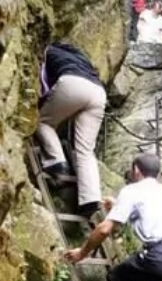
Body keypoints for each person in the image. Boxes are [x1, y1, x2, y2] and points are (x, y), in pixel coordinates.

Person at [37, 42, 107, 218]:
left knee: (42, 122)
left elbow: (44, 82)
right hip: (98, 92)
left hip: (72, 84)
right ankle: (90, 198)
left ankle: (56, 161)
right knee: (85, 149)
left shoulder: (48, 50)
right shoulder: (81, 58)